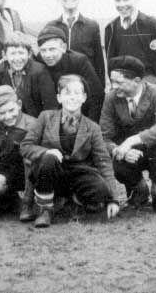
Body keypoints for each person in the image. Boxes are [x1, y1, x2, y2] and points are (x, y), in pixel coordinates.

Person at [21, 75, 120, 228]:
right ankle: (45, 209)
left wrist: (113, 199)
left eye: (77, 93)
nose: (72, 98)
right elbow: (26, 146)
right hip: (51, 171)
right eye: (67, 93)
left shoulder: (93, 127)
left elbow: (104, 162)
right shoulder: (45, 117)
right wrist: (46, 152)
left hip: (77, 173)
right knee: (48, 160)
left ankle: (72, 200)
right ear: (59, 98)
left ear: (84, 97)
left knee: (101, 190)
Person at [100, 56, 156, 213]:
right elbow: (104, 137)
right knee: (117, 160)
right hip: (128, 154)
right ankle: (139, 192)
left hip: (154, 150)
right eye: (112, 82)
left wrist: (132, 140)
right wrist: (119, 150)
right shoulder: (111, 98)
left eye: (119, 82)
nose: (114, 87)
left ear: (136, 80)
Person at [0, 86, 38, 221]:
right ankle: (5, 199)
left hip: (26, 171)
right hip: (2, 169)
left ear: (19, 104)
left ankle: (26, 203)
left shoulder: (32, 124)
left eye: (11, 110)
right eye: (1, 113)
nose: (8, 116)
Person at [104, 0, 156, 85]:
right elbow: (111, 61)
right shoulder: (111, 28)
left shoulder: (152, 24)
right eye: (117, 0)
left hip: (147, 82)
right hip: (123, 84)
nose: (121, 4)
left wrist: (152, 76)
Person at [36, 25, 105, 122]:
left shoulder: (79, 61)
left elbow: (97, 96)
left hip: (81, 113)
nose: (48, 55)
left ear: (63, 48)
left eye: (52, 49)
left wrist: (89, 125)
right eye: (43, 50)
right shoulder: (39, 60)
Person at [44, 0, 105, 88]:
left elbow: (99, 61)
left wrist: (101, 87)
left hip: (85, 84)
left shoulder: (92, 26)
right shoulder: (51, 26)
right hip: (60, 85)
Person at [0, 32, 57, 118]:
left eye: (21, 53)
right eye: (13, 53)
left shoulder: (39, 71)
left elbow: (50, 106)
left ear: (29, 54)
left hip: (34, 119)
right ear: (4, 55)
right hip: (9, 117)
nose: (17, 58)